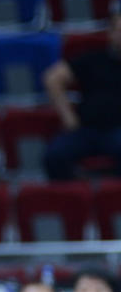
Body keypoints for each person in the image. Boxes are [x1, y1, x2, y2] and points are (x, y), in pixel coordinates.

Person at [43, 14, 121, 180]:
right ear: (111, 33)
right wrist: (67, 116)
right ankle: (74, 197)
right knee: (54, 157)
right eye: (119, 31)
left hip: (118, 130)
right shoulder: (93, 59)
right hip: (85, 129)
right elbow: (52, 78)